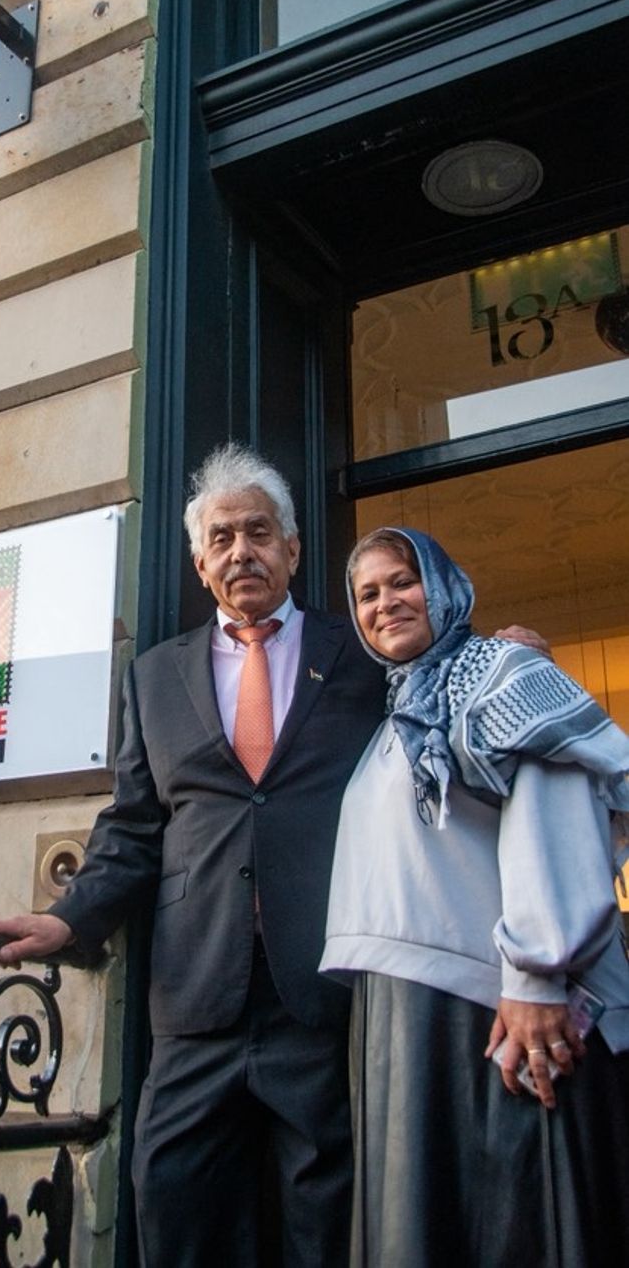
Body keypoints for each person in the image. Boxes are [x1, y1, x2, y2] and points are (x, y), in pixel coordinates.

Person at [0, 448, 545, 1266]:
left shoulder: (356, 651)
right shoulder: (153, 678)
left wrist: (506, 657)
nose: (240, 550)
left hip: (320, 994)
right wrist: (72, 917)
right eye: (221, 537)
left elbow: (436, 677)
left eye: (258, 532)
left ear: (291, 548)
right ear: (199, 560)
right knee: (175, 1206)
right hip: (194, 1002)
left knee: (328, 1218)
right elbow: (135, 824)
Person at [321, 526, 629, 1268]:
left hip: (500, 1009)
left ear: (446, 584)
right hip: (412, 1010)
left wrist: (535, 975)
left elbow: (552, 814)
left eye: (403, 581)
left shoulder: (500, 671)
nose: (386, 603)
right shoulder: (405, 704)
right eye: (367, 594)